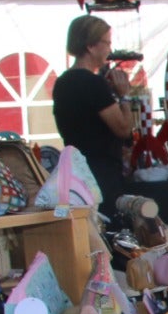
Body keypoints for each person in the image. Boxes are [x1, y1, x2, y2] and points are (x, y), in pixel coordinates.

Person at [53, 15, 133, 207]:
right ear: (90, 45)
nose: (109, 49)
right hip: (100, 170)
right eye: (106, 42)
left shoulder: (62, 82)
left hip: (76, 169)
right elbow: (123, 129)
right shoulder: (93, 83)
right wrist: (124, 97)